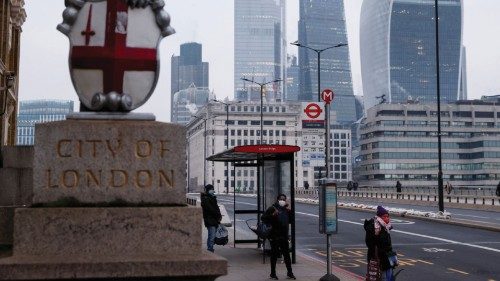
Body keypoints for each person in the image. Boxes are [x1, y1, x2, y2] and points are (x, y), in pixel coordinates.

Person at [262, 194, 296, 280]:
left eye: (284, 199)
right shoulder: (272, 208)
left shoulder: (286, 210)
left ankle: (290, 273)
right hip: (274, 235)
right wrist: (272, 215)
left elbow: (291, 221)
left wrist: (290, 212)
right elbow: (263, 218)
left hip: (284, 236)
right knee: (274, 255)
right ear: (277, 200)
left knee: (287, 255)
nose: (282, 201)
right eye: (281, 199)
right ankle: (273, 274)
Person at [364, 206, 398, 281]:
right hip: (378, 258)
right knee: (380, 277)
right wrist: (378, 254)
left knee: (388, 277)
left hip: (387, 258)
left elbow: (388, 244)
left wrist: (392, 257)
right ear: (379, 217)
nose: (386, 218)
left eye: (387, 216)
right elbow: (370, 244)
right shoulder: (374, 227)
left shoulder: (386, 227)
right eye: (384, 216)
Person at [201, 184, 222, 253]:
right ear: (208, 190)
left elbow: (216, 207)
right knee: (212, 235)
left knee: (211, 235)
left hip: (214, 219)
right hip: (209, 219)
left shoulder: (212, 197)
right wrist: (217, 215)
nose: (212, 190)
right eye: (211, 189)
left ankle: (210, 248)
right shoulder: (205, 198)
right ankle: (210, 249)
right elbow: (211, 209)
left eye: (213, 189)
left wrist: (219, 216)